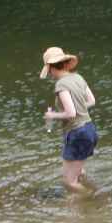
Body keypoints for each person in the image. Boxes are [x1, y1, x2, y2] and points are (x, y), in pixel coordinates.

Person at [40, 46, 98, 193]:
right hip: (90, 129)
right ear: (66, 63)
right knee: (79, 172)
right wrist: (76, 107)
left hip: (77, 132)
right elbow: (91, 101)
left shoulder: (61, 84)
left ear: (51, 68)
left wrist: (52, 115)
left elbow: (71, 113)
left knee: (69, 181)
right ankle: (80, 201)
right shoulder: (78, 77)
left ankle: (91, 196)